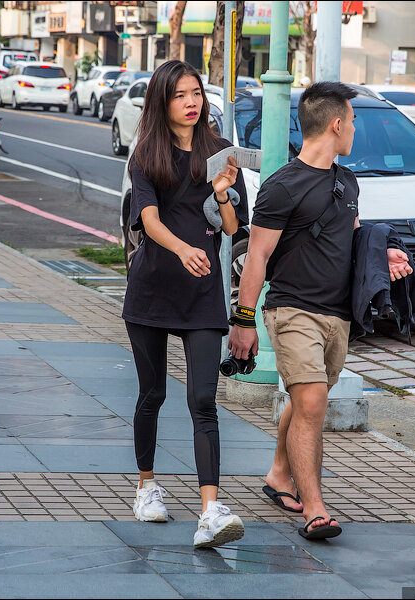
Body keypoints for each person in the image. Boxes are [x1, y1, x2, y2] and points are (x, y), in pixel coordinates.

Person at [228, 82, 413, 540]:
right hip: (293, 311)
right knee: (312, 401)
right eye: (351, 120)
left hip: (337, 315)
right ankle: (315, 508)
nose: (353, 128)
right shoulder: (282, 187)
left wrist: (381, 257)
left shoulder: (345, 181)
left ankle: (277, 474)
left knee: (307, 400)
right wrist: (244, 321)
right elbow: (257, 258)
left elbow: (347, 236)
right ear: (335, 124)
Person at [123, 59, 249, 548]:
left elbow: (235, 228)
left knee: (202, 400)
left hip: (202, 295)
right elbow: (150, 222)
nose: (192, 102)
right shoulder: (146, 157)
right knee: (152, 394)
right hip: (153, 288)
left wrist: (221, 194)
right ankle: (146, 487)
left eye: (196, 93)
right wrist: (183, 248)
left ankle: (211, 511)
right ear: (163, 101)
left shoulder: (218, 151)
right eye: (180, 95)